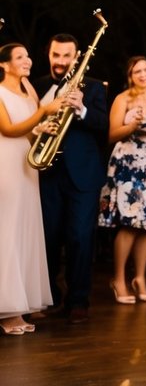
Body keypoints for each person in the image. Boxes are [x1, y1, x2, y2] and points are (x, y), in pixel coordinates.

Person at [34, 30, 108, 324]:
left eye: (66, 56)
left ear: (76, 57)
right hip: (47, 172)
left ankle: (78, 300)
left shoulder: (92, 87)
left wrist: (82, 108)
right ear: (48, 55)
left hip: (83, 175)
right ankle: (48, 294)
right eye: (56, 55)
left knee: (79, 237)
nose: (60, 61)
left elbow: (103, 125)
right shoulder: (37, 86)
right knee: (48, 237)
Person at [0, 42, 62, 335]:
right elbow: (8, 129)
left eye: (27, 55)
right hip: (6, 163)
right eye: (20, 57)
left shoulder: (29, 90)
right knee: (8, 230)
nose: (27, 60)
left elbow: (28, 126)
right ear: (4, 64)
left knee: (26, 229)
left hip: (27, 164)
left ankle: (21, 306)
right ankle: (7, 310)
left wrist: (42, 127)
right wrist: (43, 113)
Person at [98, 56, 146, 303]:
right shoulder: (122, 99)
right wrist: (131, 125)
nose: (142, 74)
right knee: (129, 222)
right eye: (136, 71)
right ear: (130, 76)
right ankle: (118, 279)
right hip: (127, 163)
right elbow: (109, 134)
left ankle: (139, 277)